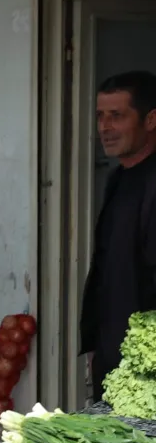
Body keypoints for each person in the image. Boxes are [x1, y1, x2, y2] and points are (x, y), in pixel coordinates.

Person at [81, 71, 156, 401]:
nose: (105, 128)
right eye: (100, 116)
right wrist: (96, 344)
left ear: (151, 119)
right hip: (114, 357)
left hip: (146, 366)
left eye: (117, 116)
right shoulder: (116, 180)